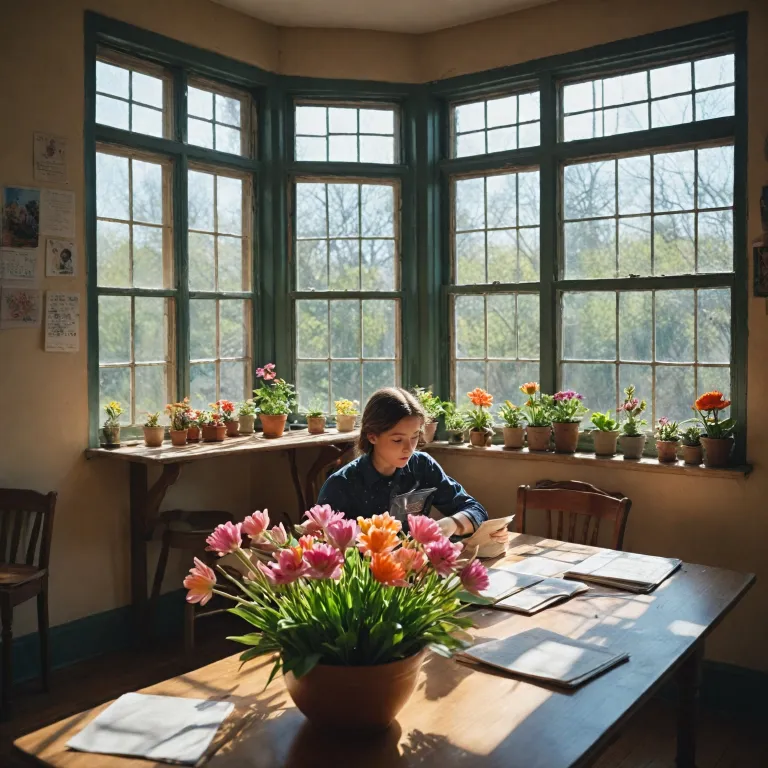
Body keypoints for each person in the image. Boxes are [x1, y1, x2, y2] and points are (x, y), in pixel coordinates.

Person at [317, 387, 508, 543]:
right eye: (398, 440)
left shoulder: (422, 467)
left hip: (418, 574)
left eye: (415, 437)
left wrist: (450, 524)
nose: (409, 449)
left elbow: (475, 510)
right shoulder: (341, 485)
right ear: (372, 436)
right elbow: (322, 547)